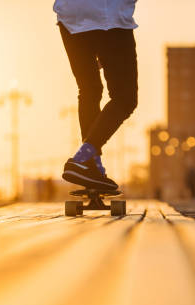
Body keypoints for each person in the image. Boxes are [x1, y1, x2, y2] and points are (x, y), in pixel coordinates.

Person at [55, 0, 138, 191]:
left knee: (89, 90)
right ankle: (82, 159)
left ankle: (92, 169)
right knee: (125, 98)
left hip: (70, 15)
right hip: (108, 16)